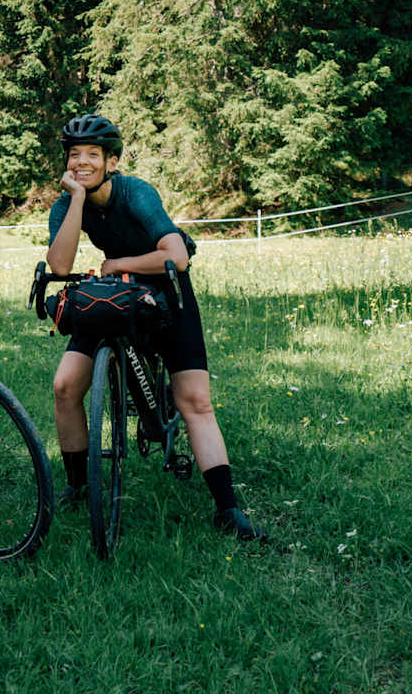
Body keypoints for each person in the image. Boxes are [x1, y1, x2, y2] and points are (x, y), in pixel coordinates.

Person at [45, 113, 266, 541]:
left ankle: (227, 509)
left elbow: (176, 255)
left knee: (194, 401)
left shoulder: (136, 193)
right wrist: (75, 201)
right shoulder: (65, 204)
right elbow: (60, 265)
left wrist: (120, 262)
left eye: (94, 154)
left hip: (167, 292)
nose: (84, 162)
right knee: (65, 386)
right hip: (114, 294)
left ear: (112, 161)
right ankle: (77, 486)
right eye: (76, 156)